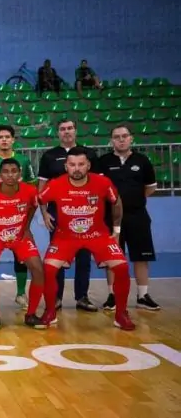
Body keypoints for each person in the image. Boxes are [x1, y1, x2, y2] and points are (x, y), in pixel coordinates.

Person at [38, 147, 135, 330]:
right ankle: (50, 312)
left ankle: (121, 314)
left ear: (88, 165)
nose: (77, 168)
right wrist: (44, 215)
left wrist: (117, 230)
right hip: (65, 236)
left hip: (97, 235)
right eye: (72, 165)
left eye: (81, 164)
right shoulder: (55, 184)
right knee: (49, 268)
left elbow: (116, 202)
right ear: (66, 166)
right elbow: (39, 200)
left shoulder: (103, 182)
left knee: (121, 267)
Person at [0, 158, 47, 330]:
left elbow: (32, 207)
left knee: (38, 268)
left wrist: (27, 227)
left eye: (14, 171)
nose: (10, 175)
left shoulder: (30, 191)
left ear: (20, 173)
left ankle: (31, 314)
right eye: (6, 172)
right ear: (0, 175)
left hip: (20, 235)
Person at [38, 119, 98, 312]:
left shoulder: (89, 154)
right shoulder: (49, 156)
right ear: (58, 133)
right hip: (58, 213)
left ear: (76, 131)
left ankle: (82, 297)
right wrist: (45, 212)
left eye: (70, 128)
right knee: (58, 257)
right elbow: (42, 187)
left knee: (83, 256)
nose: (66, 132)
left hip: (84, 212)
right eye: (62, 129)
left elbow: (97, 184)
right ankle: (56, 297)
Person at [98, 125, 160, 311]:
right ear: (111, 141)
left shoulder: (142, 161)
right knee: (112, 257)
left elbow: (150, 187)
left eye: (124, 136)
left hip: (137, 216)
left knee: (141, 256)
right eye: (117, 137)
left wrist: (132, 201)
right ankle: (113, 295)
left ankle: (142, 295)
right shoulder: (103, 162)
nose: (121, 139)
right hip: (110, 217)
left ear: (131, 138)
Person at [0, 125, 37, 309]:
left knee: (21, 257)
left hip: (18, 219)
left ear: (13, 140)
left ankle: (20, 294)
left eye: (7, 137)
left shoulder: (23, 161)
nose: (4, 140)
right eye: (0, 137)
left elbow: (32, 187)